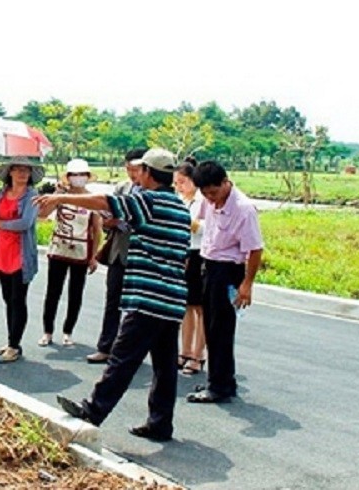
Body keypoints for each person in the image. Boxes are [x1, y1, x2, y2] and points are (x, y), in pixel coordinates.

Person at [42, 148, 190, 442]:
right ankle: (160, 423)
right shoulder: (179, 207)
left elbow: (106, 201)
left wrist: (61, 197)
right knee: (164, 366)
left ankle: (93, 410)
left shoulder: (149, 201)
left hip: (148, 296)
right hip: (171, 298)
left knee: (122, 358)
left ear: (148, 172)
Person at [189, 160, 264, 404]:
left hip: (228, 270)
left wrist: (247, 285)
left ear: (225, 182)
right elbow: (195, 217)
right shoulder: (209, 201)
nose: (210, 198)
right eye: (205, 193)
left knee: (221, 329)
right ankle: (220, 380)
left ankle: (219, 387)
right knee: (211, 328)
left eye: (214, 192)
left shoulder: (243, 209)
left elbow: (255, 250)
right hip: (209, 265)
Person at [87, 147, 147, 364]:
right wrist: (108, 222)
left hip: (140, 255)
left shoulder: (151, 194)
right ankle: (106, 347)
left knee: (137, 307)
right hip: (118, 252)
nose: (134, 174)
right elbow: (107, 214)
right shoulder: (121, 188)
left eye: (138, 169)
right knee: (113, 301)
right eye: (130, 169)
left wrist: (124, 222)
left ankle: (130, 351)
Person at [37, 158, 103, 349]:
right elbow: (42, 214)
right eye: (74, 175)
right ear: (68, 177)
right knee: (53, 292)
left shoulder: (92, 199)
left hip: (81, 251)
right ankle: (47, 331)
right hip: (59, 248)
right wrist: (56, 195)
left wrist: (94, 256)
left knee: (76, 293)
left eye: (82, 174)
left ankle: (68, 331)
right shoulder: (61, 197)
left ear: (88, 177)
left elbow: (96, 229)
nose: (78, 178)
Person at [0, 157, 42, 364]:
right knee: (8, 299)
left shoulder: (32, 195)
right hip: (2, 252)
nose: (22, 174)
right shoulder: (1, 193)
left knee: (19, 300)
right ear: (10, 172)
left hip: (21, 254)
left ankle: (14, 345)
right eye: (18, 169)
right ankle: (12, 341)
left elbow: (26, 223)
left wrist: (2, 224)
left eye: (26, 170)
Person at [174, 159, 207, 376]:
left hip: (200, 253)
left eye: (183, 182)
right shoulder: (180, 199)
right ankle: (184, 350)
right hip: (183, 252)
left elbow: (206, 228)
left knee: (200, 308)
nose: (179, 187)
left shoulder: (203, 200)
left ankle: (198, 354)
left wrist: (189, 222)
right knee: (186, 306)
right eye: (176, 183)